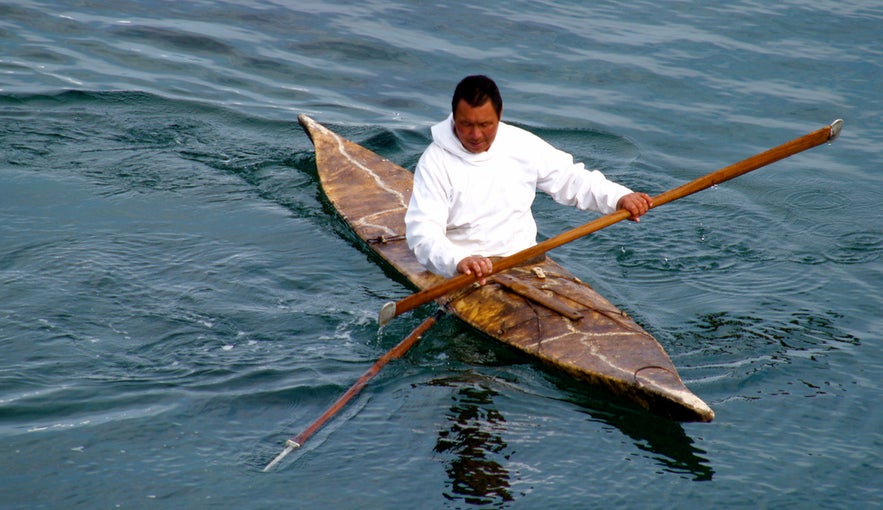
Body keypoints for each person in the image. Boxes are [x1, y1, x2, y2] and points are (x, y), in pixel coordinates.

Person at [405, 75, 651, 284]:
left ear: (500, 115)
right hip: (466, 272)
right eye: (466, 124)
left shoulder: (520, 143)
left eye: (485, 125)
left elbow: (571, 178)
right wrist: (458, 261)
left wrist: (619, 197)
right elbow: (424, 234)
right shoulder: (435, 163)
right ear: (454, 117)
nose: (475, 135)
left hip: (526, 261)